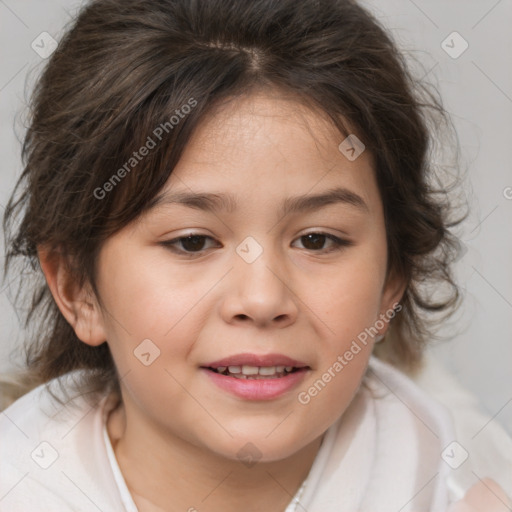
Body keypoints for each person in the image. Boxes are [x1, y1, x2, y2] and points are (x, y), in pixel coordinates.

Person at [1, 0, 511, 510]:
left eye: (317, 240)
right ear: (76, 288)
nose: (263, 298)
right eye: (193, 242)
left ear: (392, 281)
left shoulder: (462, 484)